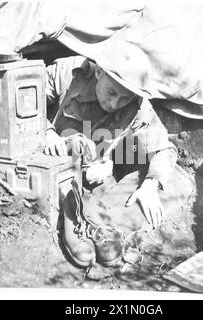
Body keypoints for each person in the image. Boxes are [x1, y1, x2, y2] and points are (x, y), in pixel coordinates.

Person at [45, 41, 179, 268]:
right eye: (111, 92)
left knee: (174, 181)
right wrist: (46, 133)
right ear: (98, 72)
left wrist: (150, 184)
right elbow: (22, 104)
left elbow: (163, 148)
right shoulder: (68, 74)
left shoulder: (138, 106)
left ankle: (103, 225)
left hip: (96, 179)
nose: (115, 103)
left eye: (124, 99)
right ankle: (75, 219)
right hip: (54, 166)